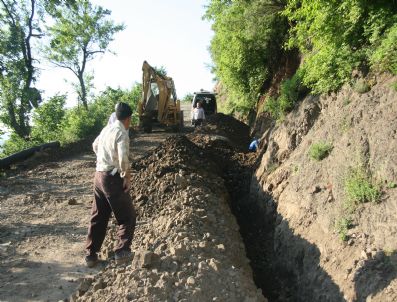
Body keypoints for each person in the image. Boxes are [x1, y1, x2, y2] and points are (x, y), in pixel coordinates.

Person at [85, 102, 136, 267]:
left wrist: (104, 158)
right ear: (128, 118)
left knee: (98, 216)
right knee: (127, 216)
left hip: (98, 176)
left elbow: (95, 145)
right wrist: (126, 177)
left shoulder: (106, 129)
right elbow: (122, 159)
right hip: (111, 179)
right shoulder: (122, 132)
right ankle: (121, 252)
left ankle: (90, 255)